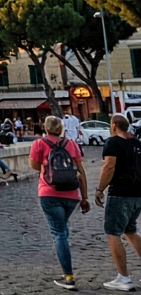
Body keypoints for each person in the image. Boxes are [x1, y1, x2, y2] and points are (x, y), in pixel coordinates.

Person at [31, 115, 90, 290]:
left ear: (45, 127)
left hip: (49, 193)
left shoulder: (39, 144)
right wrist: (84, 197)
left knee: (59, 234)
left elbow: (34, 165)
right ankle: (66, 270)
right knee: (62, 230)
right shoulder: (71, 144)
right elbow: (81, 171)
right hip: (71, 195)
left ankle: (69, 277)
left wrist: (47, 168)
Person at [96, 114, 141, 291]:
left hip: (120, 193)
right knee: (130, 230)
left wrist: (100, 189)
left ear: (114, 125)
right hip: (137, 193)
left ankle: (123, 278)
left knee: (112, 232)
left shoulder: (113, 143)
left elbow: (109, 166)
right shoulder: (137, 143)